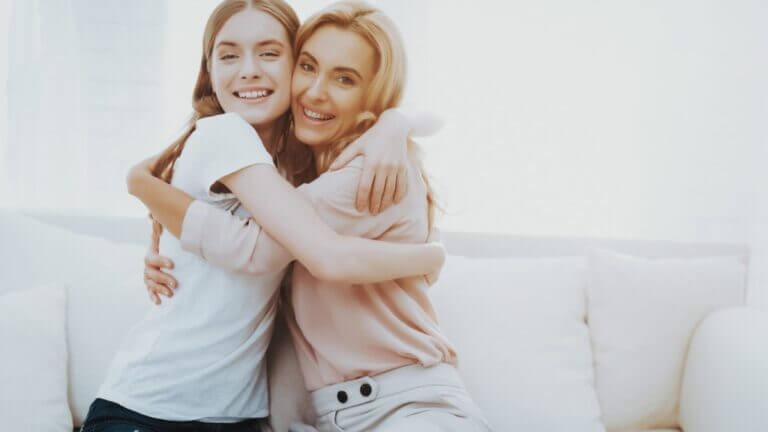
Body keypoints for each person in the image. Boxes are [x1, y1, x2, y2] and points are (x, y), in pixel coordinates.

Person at [80, 1, 444, 431]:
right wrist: (431, 256)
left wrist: (395, 121)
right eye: (229, 55)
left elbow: (433, 115)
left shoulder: (296, 163)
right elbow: (254, 251)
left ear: (292, 65)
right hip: (152, 409)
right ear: (209, 72)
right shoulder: (224, 133)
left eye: (269, 53)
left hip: (239, 415)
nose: (249, 69)